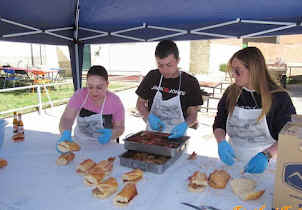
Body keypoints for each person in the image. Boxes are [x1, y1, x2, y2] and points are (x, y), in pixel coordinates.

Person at [213, 47, 296, 174]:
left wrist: (267, 155)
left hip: (266, 165)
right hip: (232, 160)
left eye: (238, 71)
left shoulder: (279, 98)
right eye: (232, 71)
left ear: (253, 70)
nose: (233, 75)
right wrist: (221, 142)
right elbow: (219, 122)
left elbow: (289, 136)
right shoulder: (231, 92)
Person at [136, 40, 203, 138]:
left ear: (178, 60)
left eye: (169, 65)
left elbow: (193, 114)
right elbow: (140, 103)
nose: (165, 70)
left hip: (177, 136)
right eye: (160, 65)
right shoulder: (152, 76)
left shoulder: (190, 82)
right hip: (152, 134)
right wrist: (149, 117)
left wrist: (185, 125)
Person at [57, 65, 125, 151]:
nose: (94, 92)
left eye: (99, 87)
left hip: (106, 146)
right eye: (90, 87)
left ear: (107, 84)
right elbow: (67, 118)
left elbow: (120, 128)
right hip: (81, 143)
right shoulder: (80, 95)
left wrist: (112, 134)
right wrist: (65, 133)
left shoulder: (115, 101)